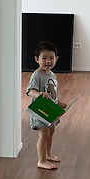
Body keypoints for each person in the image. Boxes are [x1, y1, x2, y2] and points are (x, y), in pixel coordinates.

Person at [26, 41, 67, 170]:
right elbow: (30, 91)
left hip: (51, 111)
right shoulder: (36, 75)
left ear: (56, 59)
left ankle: (48, 154)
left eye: (51, 58)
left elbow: (53, 93)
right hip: (40, 111)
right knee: (44, 135)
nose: (48, 61)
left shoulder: (51, 74)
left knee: (51, 132)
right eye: (44, 58)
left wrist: (59, 103)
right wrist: (39, 94)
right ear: (37, 59)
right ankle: (41, 160)